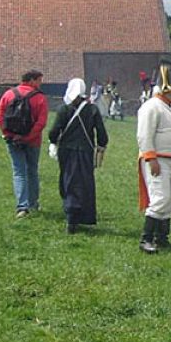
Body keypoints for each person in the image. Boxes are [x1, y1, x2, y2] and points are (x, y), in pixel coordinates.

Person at [136, 61, 171, 253]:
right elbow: (144, 135)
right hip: (158, 160)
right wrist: (151, 158)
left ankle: (162, 237)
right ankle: (146, 239)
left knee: (169, 200)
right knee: (160, 198)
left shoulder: (170, 108)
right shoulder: (152, 107)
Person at [48, 78, 108, 233]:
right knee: (84, 184)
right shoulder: (92, 109)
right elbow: (101, 133)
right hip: (85, 151)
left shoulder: (63, 110)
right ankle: (80, 215)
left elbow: (54, 131)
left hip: (66, 152)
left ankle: (71, 216)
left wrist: (53, 142)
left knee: (68, 181)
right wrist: (102, 145)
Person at [0, 69, 49, 217]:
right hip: (33, 141)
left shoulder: (9, 94)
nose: (40, 84)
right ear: (32, 80)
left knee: (19, 171)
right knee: (32, 171)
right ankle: (33, 204)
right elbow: (41, 122)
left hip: (12, 139)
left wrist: (8, 134)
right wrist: (29, 137)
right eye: (39, 80)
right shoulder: (40, 98)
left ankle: (22, 206)